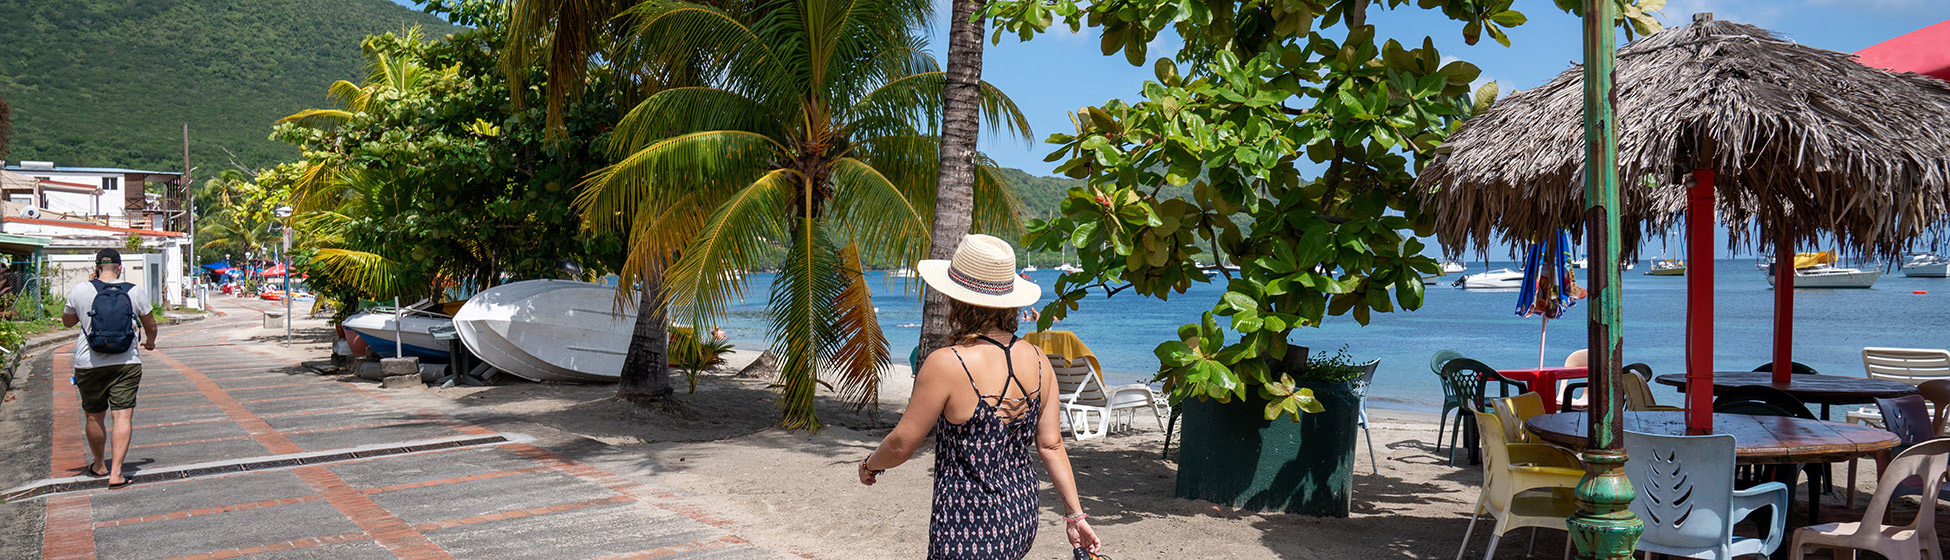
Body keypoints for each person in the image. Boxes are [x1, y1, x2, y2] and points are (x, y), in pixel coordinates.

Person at [858, 234, 1101, 559]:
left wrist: (870, 465)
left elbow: (902, 443)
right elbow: (1052, 445)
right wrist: (1075, 516)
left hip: (968, 523)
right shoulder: (1039, 360)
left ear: (959, 300)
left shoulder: (947, 362)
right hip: (1021, 514)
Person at [61, 249, 159, 488]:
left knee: (94, 416)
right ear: (120, 266)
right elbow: (151, 325)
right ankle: (116, 473)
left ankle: (99, 465)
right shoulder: (133, 291)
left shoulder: (81, 290)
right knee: (122, 416)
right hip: (126, 363)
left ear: (96, 267)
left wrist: (90, 285)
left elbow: (68, 321)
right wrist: (150, 342)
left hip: (89, 363)